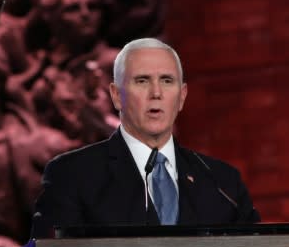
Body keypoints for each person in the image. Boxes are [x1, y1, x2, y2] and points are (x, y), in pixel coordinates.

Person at [32, 38, 260, 235]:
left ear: (181, 97)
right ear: (116, 95)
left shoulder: (223, 184)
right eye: (142, 81)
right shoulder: (72, 176)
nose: (156, 93)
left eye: (167, 81)